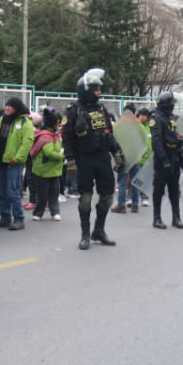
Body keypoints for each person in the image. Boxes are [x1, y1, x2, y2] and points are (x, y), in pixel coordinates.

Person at [62, 68, 125, 249]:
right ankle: (85, 234)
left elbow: (109, 133)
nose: (99, 92)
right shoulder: (73, 110)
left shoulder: (101, 108)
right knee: (85, 199)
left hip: (103, 158)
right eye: (96, 89)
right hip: (84, 159)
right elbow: (66, 138)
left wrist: (117, 153)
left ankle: (99, 230)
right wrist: (70, 160)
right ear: (87, 90)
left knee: (107, 197)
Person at [0, 97, 34, 230]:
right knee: (2, 192)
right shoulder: (2, 119)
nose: (7, 108)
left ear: (16, 108)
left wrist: (18, 158)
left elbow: (27, 142)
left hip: (13, 162)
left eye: (10, 106)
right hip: (0, 160)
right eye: (6, 105)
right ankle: (5, 218)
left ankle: (19, 219)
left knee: (12, 191)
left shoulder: (24, 121)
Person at [148, 91, 183, 229]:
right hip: (162, 160)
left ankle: (176, 218)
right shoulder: (156, 118)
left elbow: (174, 134)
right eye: (172, 103)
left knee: (174, 190)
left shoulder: (170, 117)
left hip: (174, 157)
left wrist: (179, 140)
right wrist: (164, 161)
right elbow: (157, 142)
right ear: (166, 104)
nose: (173, 105)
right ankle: (156, 218)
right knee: (159, 190)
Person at [112, 108, 152, 214]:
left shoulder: (121, 126)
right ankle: (135, 205)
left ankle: (121, 205)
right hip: (136, 157)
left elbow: (116, 143)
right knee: (134, 182)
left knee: (123, 182)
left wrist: (117, 158)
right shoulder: (139, 126)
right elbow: (144, 141)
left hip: (124, 157)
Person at [31, 108, 65, 221]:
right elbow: (49, 153)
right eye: (57, 123)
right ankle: (38, 213)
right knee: (42, 194)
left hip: (54, 170)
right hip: (43, 171)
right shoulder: (46, 137)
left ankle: (55, 212)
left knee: (54, 193)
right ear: (53, 124)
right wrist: (61, 156)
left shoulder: (55, 136)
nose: (58, 125)